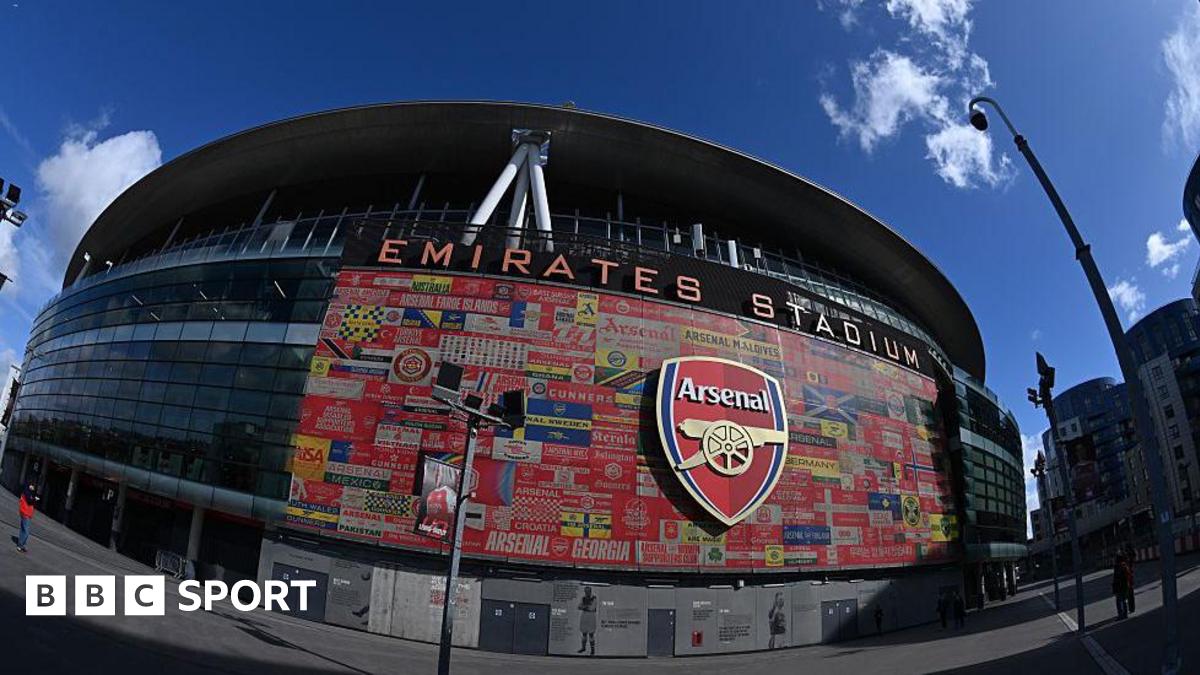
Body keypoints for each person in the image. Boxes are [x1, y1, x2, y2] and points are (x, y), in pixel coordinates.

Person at [15, 483, 38, 552]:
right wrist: (35, 499)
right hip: (25, 513)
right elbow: (29, 501)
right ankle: (20, 545)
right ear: (30, 486)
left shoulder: (27, 492)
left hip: (25, 513)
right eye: (33, 486)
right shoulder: (27, 492)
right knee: (26, 531)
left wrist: (33, 499)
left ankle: (22, 545)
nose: (34, 488)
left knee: (23, 530)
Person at [577, 586, 597, 655]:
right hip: (584, 616)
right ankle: (583, 648)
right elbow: (579, 606)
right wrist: (585, 607)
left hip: (591, 617)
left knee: (591, 634)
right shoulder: (583, 598)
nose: (587, 592)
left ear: (590, 591)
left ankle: (592, 650)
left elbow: (592, 608)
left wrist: (584, 607)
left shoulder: (594, 598)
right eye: (586, 591)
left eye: (588, 591)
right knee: (584, 633)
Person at [1112, 554, 1130, 619]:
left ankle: (1121, 614)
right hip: (1125, 585)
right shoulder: (1125, 566)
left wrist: (1114, 587)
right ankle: (1125, 614)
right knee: (1124, 600)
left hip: (1119, 586)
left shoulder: (1117, 567)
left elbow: (1116, 578)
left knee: (1119, 601)